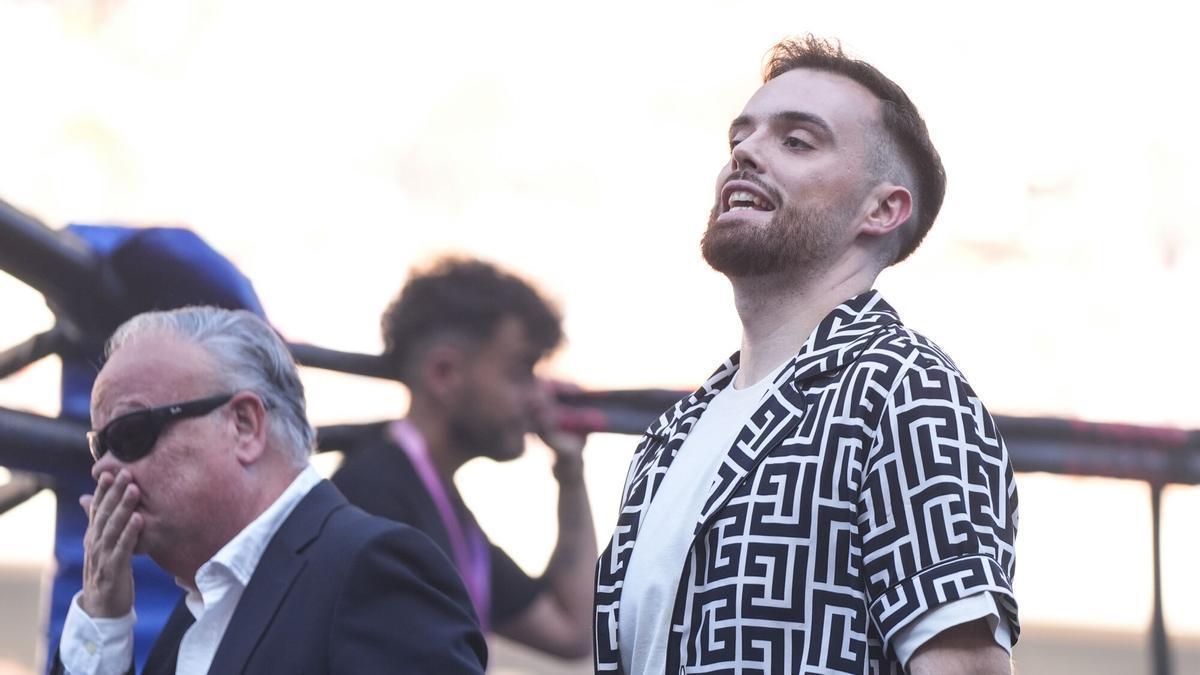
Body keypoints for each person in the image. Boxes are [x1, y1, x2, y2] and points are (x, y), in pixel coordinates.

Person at [594, 36, 1019, 675]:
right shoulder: (671, 436)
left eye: (796, 141)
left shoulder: (904, 393)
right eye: (740, 136)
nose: (745, 152)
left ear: (882, 209)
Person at [55, 307, 487, 674]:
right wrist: (101, 619)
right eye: (101, 446)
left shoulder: (371, 568)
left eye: (131, 432)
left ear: (244, 426)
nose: (106, 467)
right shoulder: (193, 616)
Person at [332, 257, 596, 660]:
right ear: (444, 373)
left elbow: (573, 630)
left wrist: (570, 474)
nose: (539, 398)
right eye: (520, 371)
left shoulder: (441, 508)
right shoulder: (373, 501)